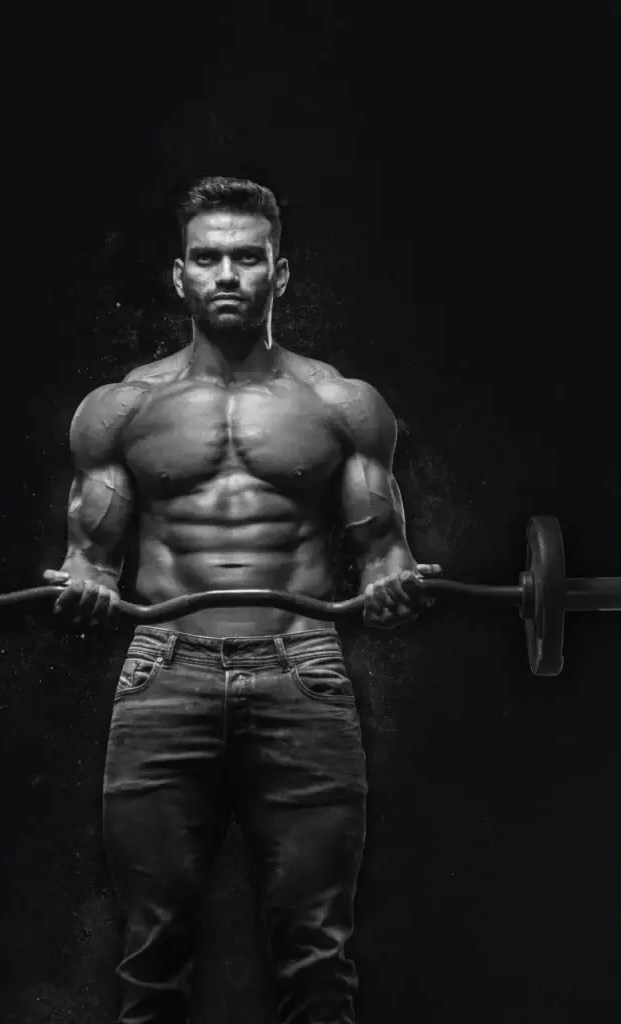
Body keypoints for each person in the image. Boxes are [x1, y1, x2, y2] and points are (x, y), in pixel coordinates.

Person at [44, 176, 441, 1024]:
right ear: (178, 276)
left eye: (247, 257)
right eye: (207, 257)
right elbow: (89, 558)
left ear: (281, 274)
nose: (227, 274)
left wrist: (393, 586)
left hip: (305, 672)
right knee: (153, 945)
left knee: (318, 949)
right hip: (163, 673)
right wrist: (83, 584)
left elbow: (383, 553)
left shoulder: (342, 404)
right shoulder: (121, 410)